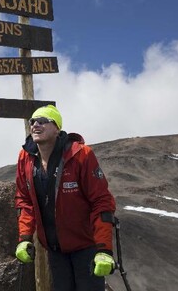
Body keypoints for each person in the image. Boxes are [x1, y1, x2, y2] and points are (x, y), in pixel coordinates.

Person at [14, 104, 116, 291]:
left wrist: (104, 250)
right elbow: (25, 200)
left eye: (43, 121)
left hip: (86, 247)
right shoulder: (26, 157)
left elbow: (101, 201)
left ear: (57, 128)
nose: (36, 125)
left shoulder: (80, 155)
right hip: (55, 250)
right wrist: (25, 238)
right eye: (33, 121)